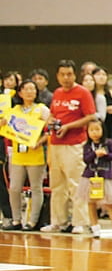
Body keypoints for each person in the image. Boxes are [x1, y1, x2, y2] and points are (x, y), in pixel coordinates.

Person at [43, 60, 97, 233]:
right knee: (57, 185)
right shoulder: (57, 93)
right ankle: (58, 221)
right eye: (62, 74)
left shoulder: (83, 93)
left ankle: (80, 222)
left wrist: (69, 127)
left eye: (69, 74)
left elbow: (90, 116)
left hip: (74, 144)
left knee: (76, 183)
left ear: (74, 75)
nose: (66, 78)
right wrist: (51, 121)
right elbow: (53, 113)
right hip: (56, 143)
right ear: (58, 76)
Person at [3, 80, 50, 229]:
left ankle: (32, 221)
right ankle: (16, 220)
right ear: (20, 92)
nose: (30, 92)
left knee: (36, 188)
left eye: (33, 89)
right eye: (26, 89)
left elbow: (50, 131)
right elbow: (5, 126)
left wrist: (40, 142)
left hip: (35, 154)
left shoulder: (42, 109)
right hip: (18, 154)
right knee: (14, 188)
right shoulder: (14, 110)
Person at [79, 119, 112, 236]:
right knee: (91, 203)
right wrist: (94, 154)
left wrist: (105, 154)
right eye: (91, 130)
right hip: (90, 177)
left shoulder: (108, 143)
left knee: (109, 203)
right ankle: (95, 227)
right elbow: (86, 159)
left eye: (97, 129)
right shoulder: (87, 145)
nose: (94, 132)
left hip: (105, 177)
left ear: (103, 130)